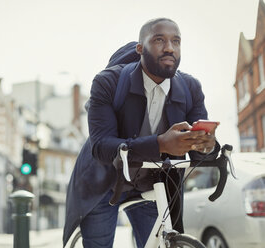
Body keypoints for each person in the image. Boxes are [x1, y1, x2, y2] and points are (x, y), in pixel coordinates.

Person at [63, 17, 220, 248]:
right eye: (159, 40)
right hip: (104, 181)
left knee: (157, 243)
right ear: (140, 49)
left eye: (176, 41)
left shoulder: (190, 88)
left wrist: (206, 145)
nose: (169, 47)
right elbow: (101, 146)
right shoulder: (108, 82)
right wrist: (161, 145)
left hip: (153, 183)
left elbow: (199, 154)